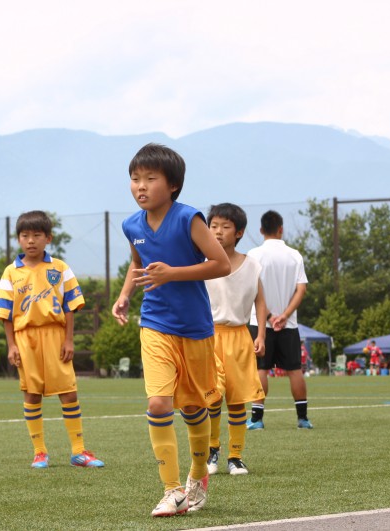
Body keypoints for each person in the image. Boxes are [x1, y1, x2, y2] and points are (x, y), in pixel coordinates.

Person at [111, 143, 231, 517]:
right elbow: (138, 262)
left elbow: (222, 264)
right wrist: (125, 294)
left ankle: (198, 476)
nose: (140, 186)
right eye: (135, 179)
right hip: (155, 323)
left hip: (195, 328)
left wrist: (173, 273)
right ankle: (172, 489)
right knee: (158, 403)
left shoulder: (189, 219)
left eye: (150, 178)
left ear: (173, 185)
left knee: (195, 407)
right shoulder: (132, 224)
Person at [0, 210, 104, 470]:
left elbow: (70, 306)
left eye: (36, 235)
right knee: (32, 394)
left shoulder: (60, 268)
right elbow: (6, 314)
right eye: (25, 235)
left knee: (68, 391)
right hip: (25, 338)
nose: (30, 240)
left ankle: (79, 451)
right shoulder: (11, 272)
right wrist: (11, 345)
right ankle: (39, 452)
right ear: (19, 239)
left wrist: (69, 340)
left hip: (56, 335)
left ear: (48, 238)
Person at [204, 203, 267, 477]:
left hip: (240, 336)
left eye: (225, 227)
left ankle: (236, 456)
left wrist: (261, 334)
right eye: (214, 226)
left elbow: (261, 301)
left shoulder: (252, 265)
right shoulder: (201, 263)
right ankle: (212, 449)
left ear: (239, 232)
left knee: (238, 399)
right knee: (211, 397)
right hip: (208, 336)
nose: (218, 232)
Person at [246, 210, 312, 430]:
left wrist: (270, 316)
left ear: (261, 230)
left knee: (260, 370)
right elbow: (301, 289)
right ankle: (302, 419)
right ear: (281, 229)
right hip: (288, 324)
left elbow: (251, 290)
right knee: (294, 370)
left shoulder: (254, 255)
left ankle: (257, 419)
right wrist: (284, 316)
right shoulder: (294, 255)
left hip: (260, 323)